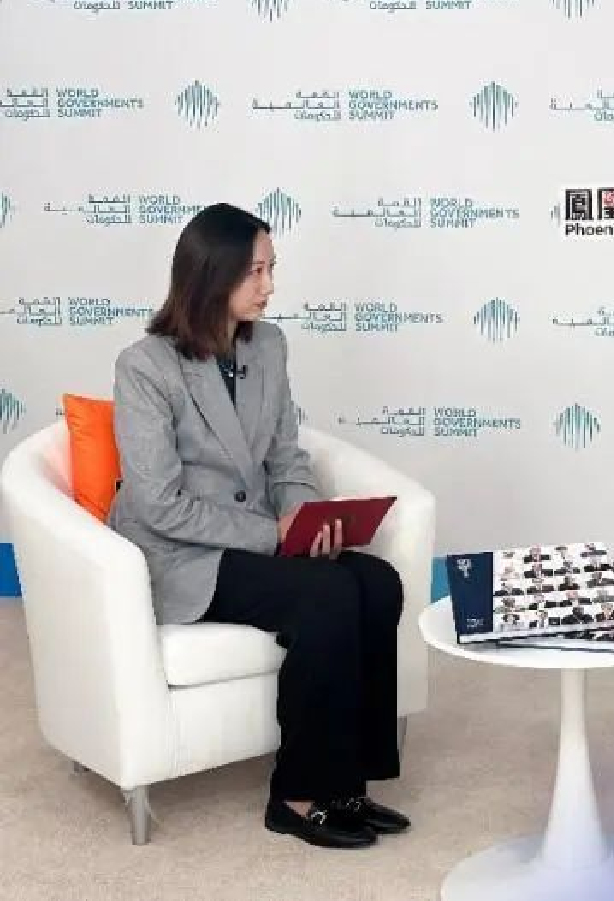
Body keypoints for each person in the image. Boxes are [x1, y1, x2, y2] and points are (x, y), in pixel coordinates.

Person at [107, 203, 412, 850]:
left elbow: (286, 456)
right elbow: (159, 505)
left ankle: (346, 783)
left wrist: (304, 517)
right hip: (180, 555)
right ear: (211, 275)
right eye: (256, 272)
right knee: (325, 594)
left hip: (258, 536)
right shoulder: (144, 367)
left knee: (377, 582)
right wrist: (275, 535)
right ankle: (296, 797)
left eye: (272, 268)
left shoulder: (268, 345)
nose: (270, 286)